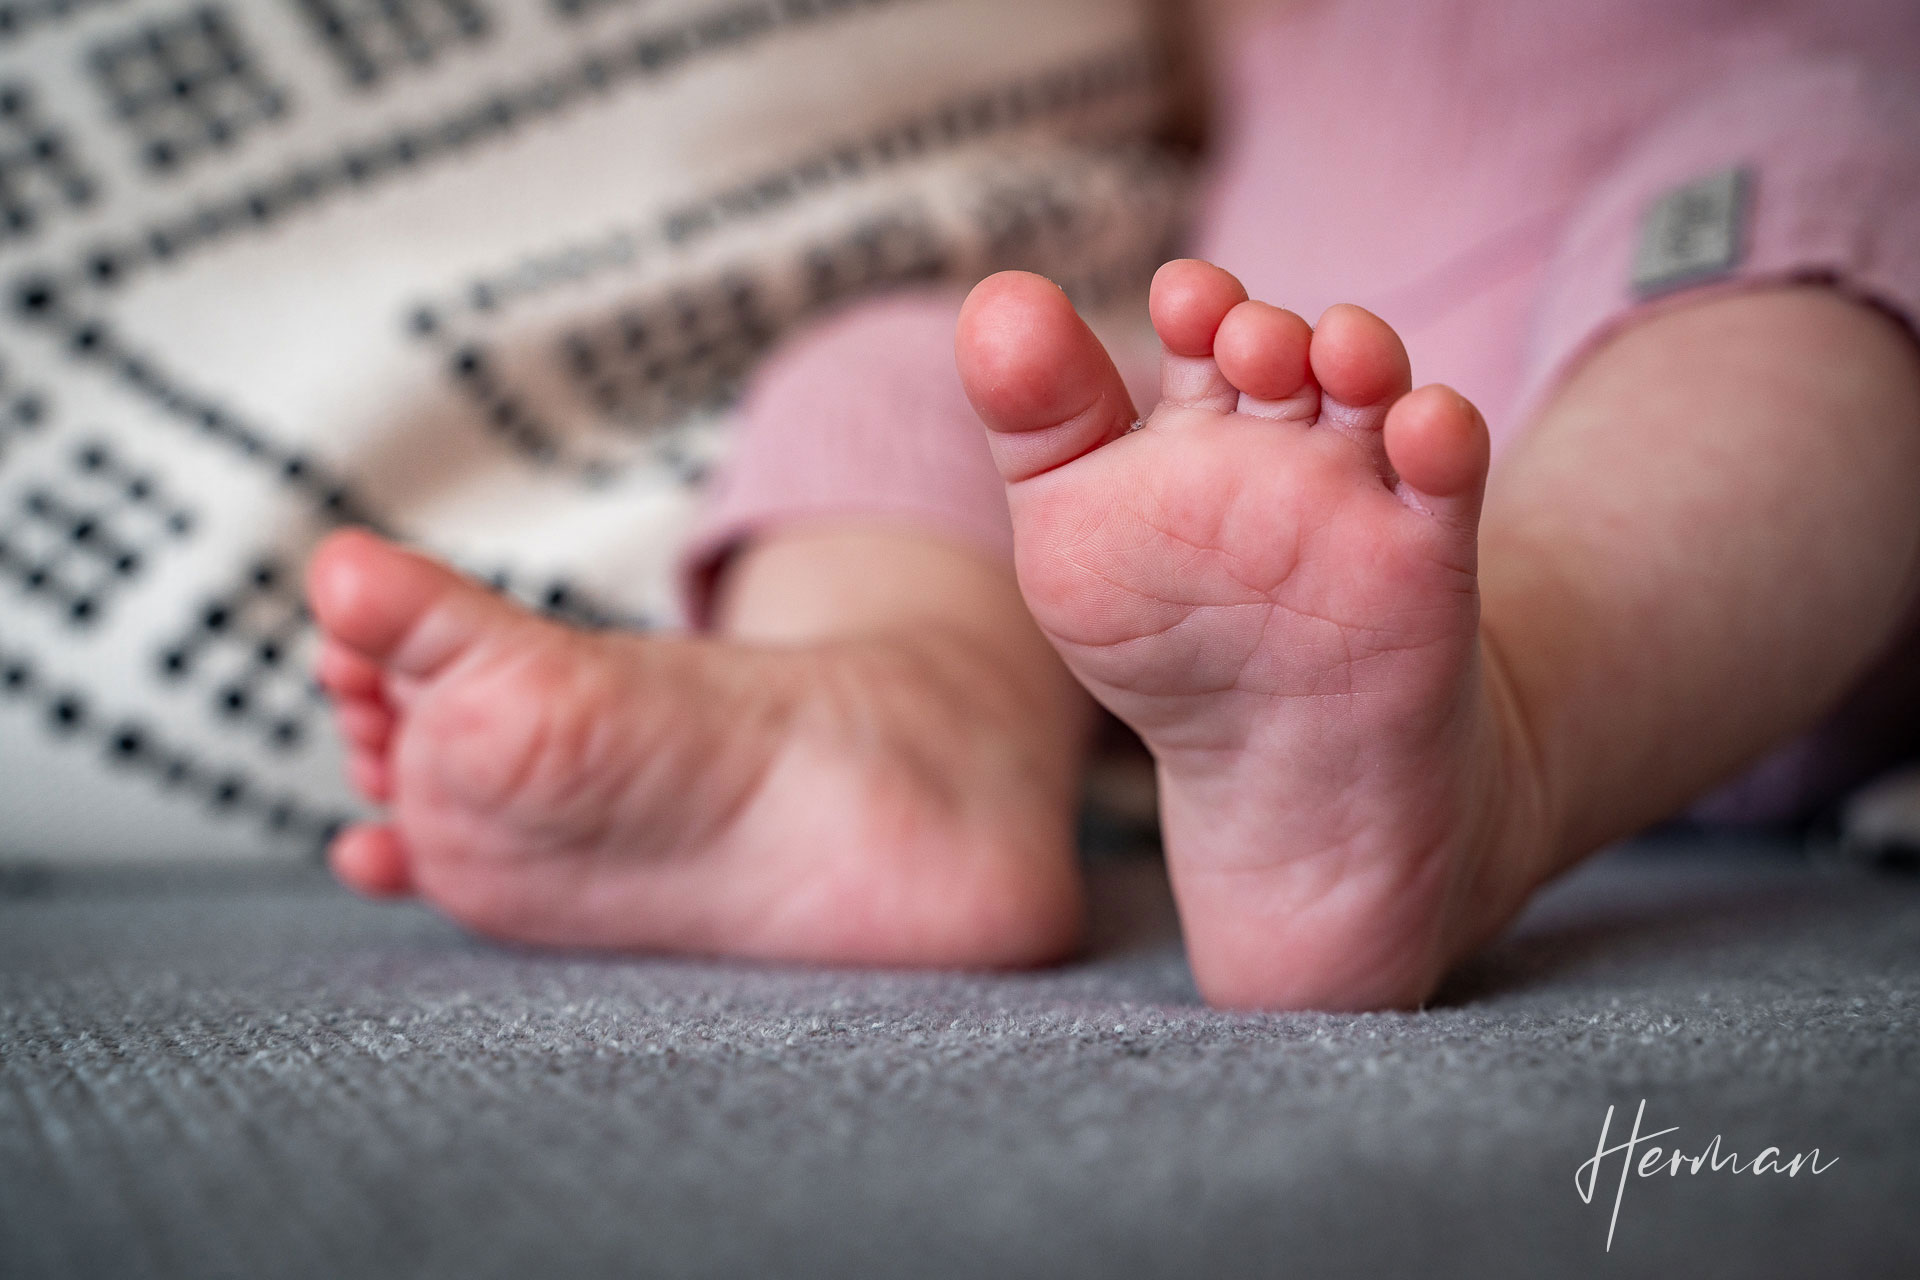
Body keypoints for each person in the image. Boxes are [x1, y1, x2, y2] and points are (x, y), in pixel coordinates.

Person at [304, 0, 1920, 1009]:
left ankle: (1502, 742)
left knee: (1825, 196)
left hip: (1704, 509)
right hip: (1291, 453)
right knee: (930, 361)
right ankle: (906, 726)